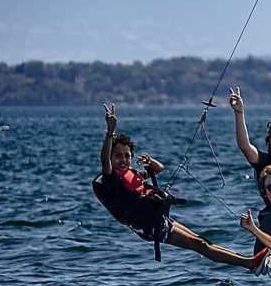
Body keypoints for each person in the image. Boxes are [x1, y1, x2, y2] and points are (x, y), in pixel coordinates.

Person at [93, 103, 261, 270]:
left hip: (159, 219)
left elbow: (159, 169)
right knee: (199, 244)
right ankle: (249, 263)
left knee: (201, 241)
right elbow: (104, 160)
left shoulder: (132, 174)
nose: (123, 160)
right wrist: (110, 131)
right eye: (118, 156)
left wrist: (150, 162)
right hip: (151, 226)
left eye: (127, 156)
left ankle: (249, 261)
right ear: (111, 157)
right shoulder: (111, 178)